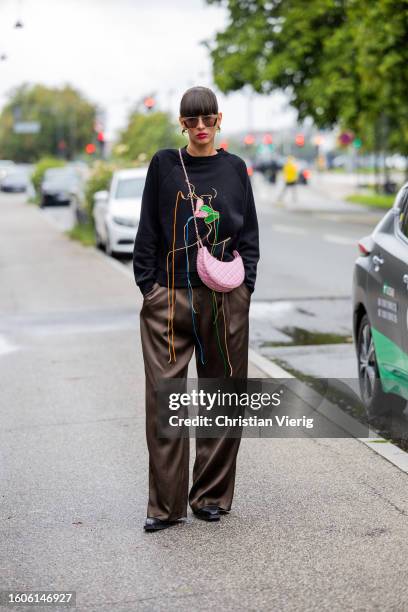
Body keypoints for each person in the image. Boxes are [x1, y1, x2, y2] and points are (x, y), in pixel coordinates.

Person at [132, 85, 260, 532]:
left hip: (225, 298)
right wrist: (148, 286)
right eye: (192, 120)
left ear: (219, 119)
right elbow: (148, 226)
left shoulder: (235, 169)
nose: (201, 128)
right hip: (167, 298)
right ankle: (166, 508)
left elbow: (250, 235)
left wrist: (246, 289)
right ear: (182, 123)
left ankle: (210, 496)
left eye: (208, 119)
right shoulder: (165, 165)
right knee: (164, 400)